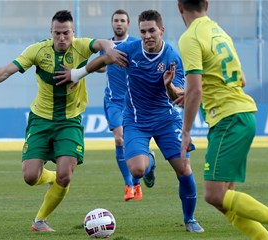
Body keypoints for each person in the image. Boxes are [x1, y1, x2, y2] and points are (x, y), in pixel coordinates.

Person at [0, 10, 125, 232]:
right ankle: (51, 178)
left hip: (69, 120)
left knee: (65, 177)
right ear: (51, 32)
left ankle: (40, 220)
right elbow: (6, 71)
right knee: (29, 177)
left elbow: (104, 43)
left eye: (66, 33)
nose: (62, 38)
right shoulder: (38, 50)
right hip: (40, 119)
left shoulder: (81, 46)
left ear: (73, 32)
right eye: (57, 33)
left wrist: (110, 51)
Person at [57, 9, 204, 233]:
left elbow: (178, 98)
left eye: (152, 31)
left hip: (167, 120)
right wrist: (77, 74)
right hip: (136, 120)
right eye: (143, 31)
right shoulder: (130, 49)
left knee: (184, 169)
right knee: (137, 170)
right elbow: (104, 59)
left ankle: (190, 219)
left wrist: (168, 85)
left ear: (161, 30)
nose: (147, 36)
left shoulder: (172, 57)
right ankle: (150, 163)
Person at [177, 0, 268, 239]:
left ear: (180, 6)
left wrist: (186, 130)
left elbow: (196, 90)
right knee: (224, 200)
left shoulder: (190, 37)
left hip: (228, 119)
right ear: (207, 4)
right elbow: (240, 79)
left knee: (214, 194)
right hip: (241, 114)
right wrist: (194, 93)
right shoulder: (219, 31)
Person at [100, 9, 143, 201]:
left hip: (134, 102)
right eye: (116, 20)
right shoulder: (106, 46)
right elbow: (100, 67)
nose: (119, 23)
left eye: (122, 21)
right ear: (112, 23)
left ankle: (138, 182)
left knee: (133, 142)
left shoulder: (135, 44)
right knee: (119, 139)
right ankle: (129, 185)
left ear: (128, 24)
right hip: (114, 101)